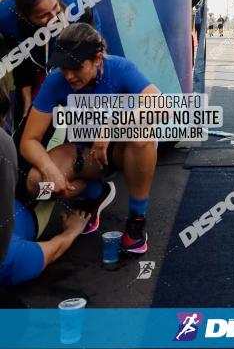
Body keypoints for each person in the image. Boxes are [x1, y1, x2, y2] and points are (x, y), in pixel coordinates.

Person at [20, 23, 160, 255]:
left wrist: (112, 125)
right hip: (86, 154)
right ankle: (94, 193)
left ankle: (137, 217)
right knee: (37, 185)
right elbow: (29, 140)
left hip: (123, 151)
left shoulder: (120, 68)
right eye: (63, 67)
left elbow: (161, 104)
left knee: (143, 134)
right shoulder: (57, 80)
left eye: (75, 67)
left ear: (97, 58)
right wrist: (49, 169)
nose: (68, 75)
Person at [0, 79, 90, 287]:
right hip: (32, 201)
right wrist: (72, 230)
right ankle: (95, 185)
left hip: (10, 179)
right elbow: (54, 248)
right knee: (53, 185)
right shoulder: (8, 260)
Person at [0, 0, 102, 128]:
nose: (55, 18)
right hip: (33, 46)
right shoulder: (6, 18)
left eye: (55, 8)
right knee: (26, 115)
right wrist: (28, 102)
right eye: (44, 15)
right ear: (24, 16)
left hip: (76, 30)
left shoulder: (79, 5)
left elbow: (91, 59)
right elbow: (21, 63)